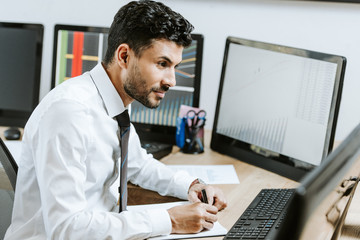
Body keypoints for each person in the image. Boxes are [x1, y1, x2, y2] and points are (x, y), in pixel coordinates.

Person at [4, 1, 227, 239]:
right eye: (162, 64)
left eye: (175, 66)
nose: (171, 80)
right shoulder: (69, 113)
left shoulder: (115, 100)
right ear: (124, 56)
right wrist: (169, 220)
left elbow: (137, 165)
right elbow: (67, 228)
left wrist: (191, 184)